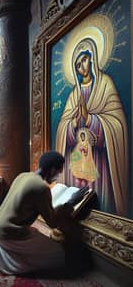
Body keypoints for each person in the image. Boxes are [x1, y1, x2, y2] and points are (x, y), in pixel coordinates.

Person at [0, 151, 89, 274]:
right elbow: (53, 223)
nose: (57, 177)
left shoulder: (22, 175)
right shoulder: (41, 187)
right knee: (57, 255)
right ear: (53, 169)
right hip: (10, 232)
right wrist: (70, 203)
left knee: (33, 232)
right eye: (58, 172)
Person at [55, 38, 128, 216]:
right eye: (78, 64)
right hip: (77, 160)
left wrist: (90, 119)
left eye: (84, 60)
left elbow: (117, 123)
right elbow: (63, 127)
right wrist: (73, 123)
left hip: (99, 161)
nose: (82, 66)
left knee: (97, 200)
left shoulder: (105, 85)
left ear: (92, 58)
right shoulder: (74, 94)